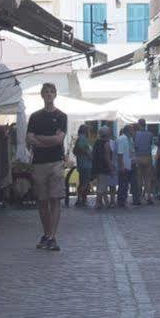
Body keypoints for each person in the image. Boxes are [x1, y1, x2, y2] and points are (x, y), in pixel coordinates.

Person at [24, 84, 68, 251]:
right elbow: (29, 139)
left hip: (56, 162)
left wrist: (40, 139)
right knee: (42, 201)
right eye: (46, 92)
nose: (49, 95)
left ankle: (52, 236)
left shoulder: (62, 116)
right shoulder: (35, 117)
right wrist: (49, 139)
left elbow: (59, 140)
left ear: (55, 95)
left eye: (51, 92)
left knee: (55, 199)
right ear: (42, 95)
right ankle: (47, 233)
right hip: (39, 163)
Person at [131, 121, 156, 204]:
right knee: (147, 178)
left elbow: (135, 145)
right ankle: (148, 196)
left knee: (139, 178)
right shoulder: (150, 134)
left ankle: (139, 197)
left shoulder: (135, 134)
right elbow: (150, 144)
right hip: (148, 157)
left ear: (139, 125)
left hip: (138, 157)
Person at [91, 126, 116, 207]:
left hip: (96, 167)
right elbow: (107, 157)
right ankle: (98, 203)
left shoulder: (97, 142)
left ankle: (106, 202)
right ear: (108, 134)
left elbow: (94, 155)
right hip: (103, 168)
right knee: (102, 186)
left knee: (101, 184)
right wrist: (111, 167)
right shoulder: (107, 143)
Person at [112, 122, 136, 206]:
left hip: (129, 164)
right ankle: (121, 200)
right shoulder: (122, 139)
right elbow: (120, 154)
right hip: (124, 165)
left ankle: (123, 199)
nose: (134, 131)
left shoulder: (130, 139)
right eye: (132, 130)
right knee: (123, 184)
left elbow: (131, 151)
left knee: (126, 184)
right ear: (128, 131)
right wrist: (122, 166)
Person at [73, 124, 95, 210]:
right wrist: (88, 154)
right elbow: (81, 148)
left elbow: (75, 151)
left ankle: (82, 200)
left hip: (82, 164)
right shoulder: (82, 138)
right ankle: (80, 200)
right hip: (85, 165)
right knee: (85, 183)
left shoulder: (81, 138)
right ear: (85, 131)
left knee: (83, 183)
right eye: (88, 130)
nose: (89, 132)